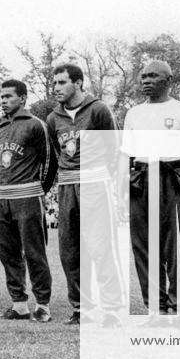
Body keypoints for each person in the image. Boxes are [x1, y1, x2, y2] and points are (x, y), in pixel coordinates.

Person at [123, 60, 180, 328]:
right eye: (143, 76)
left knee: (176, 244)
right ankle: (155, 307)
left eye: (153, 76)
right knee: (144, 246)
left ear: (168, 79)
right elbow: (127, 153)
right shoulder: (133, 113)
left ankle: (179, 306)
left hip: (173, 177)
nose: (146, 80)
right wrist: (122, 186)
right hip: (141, 178)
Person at [46, 63, 122, 326]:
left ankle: (111, 309)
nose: (56, 88)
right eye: (54, 83)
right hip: (67, 186)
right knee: (69, 250)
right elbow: (58, 153)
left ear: (78, 83)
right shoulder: (53, 118)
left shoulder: (98, 109)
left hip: (95, 183)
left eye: (62, 82)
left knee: (101, 248)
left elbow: (114, 148)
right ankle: (81, 308)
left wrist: (103, 178)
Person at [0, 79, 58, 322]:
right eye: (1, 97)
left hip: (28, 196)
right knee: (7, 253)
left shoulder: (35, 125)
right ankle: (19, 304)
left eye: (9, 96)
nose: (3, 100)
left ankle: (42, 305)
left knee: (34, 252)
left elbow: (50, 161)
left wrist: (38, 190)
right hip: (3, 199)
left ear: (22, 98)